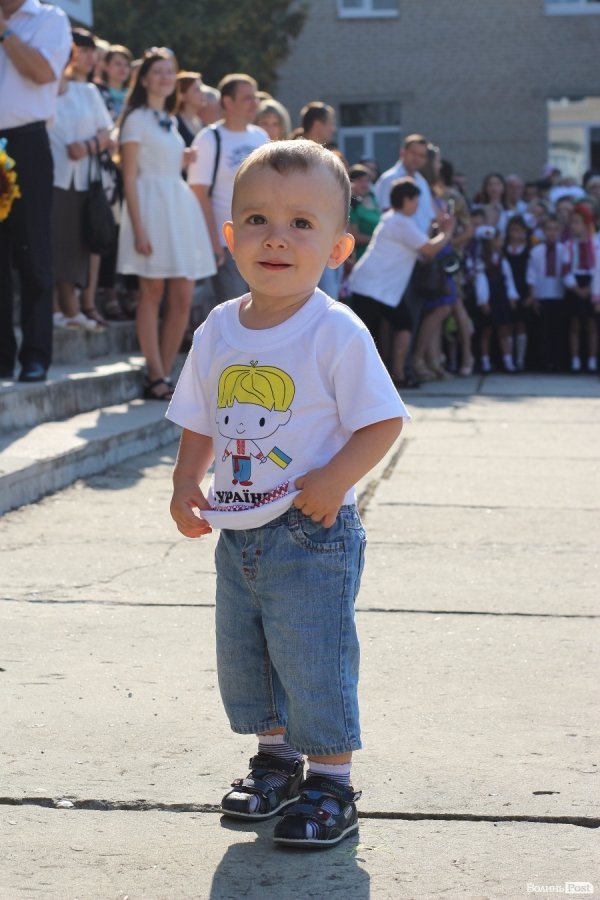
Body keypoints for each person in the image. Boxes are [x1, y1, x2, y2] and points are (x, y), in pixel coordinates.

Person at [167, 140, 408, 849]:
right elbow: (199, 415)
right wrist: (187, 480)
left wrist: (336, 481)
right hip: (238, 526)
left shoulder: (334, 329)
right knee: (248, 655)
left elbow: (382, 418)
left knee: (313, 655)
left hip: (311, 529)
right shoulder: (218, 326)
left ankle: (332, 781)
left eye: (302, 224)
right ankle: (276, 762)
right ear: (230, 236)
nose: (278, 236)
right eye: (259, 219)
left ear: (338, 248)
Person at [117, 48, 215, 400]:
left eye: (169, 71)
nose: (164, 77)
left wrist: (183, 158)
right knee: (152, 291)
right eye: (157, 71)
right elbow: (129, 177)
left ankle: (166, 370)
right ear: (143, 78)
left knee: (184, 294)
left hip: (177, 206)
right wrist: (139, 230)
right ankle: (155, 373)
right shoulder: (135, 119)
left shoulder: (170, 120)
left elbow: (169, 163)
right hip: (150, 208)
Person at [0, 0, 71, 382]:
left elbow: (43, 73)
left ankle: (35, 355)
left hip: (25, 142)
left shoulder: (49, 19)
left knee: (32, 250)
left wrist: (4, 31)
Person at [349, 176, 454, 387]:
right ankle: (373, 380)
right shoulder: (400, 222)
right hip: (371, 288)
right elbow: (430, 249)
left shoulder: (395, 219)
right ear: (406, 199)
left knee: (400, 325)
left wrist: (438, 231)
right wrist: (448, 230)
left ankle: (395, 376)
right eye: (415, 200)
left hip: (378, 289)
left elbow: (424, 248)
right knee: (364, 336)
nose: (417, 205)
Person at [48, 28, 112, 331]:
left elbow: (106, 133)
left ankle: (71, 307)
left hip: (83, 180)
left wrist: (85, 147)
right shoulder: (49, 86)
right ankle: (61, 308)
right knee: (54, 242)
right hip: (52, 177)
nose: (86, 57)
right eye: (79, 50)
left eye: (90, 51)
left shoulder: (89, 92)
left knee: (76, 244)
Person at [188, 73, 268, 306]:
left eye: (255, 98)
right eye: (247, 98)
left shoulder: (260, 136)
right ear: (227, 102)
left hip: (261, 240)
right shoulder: (209, 138)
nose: (254, 104)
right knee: (233, 311)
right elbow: (199, 194)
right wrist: (213, 243)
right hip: (226, 243)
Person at [526, 215, 568, 371]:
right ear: (544, 231)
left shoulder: (564, 249)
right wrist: (533, 296)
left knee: (558, 331)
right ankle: (544, 363)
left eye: (555, 229)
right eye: (549, 229)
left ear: (560, 231)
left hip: (559, 295)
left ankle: (558, 362)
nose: (552, 233)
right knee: (543, 332)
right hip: (542, 295)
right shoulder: (536, 251)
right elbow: (532, 275)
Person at [475, 229, 520, 373]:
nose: (500, 242)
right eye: (497, 240)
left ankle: (508, 361)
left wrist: (512, 296)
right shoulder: (481, 260)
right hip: (489, 299)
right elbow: (480, 282)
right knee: (486, 331)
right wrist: (483, 300)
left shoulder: (502, 260)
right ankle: (485, 362)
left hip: (501, 299)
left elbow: (509, 280)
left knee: (503, 330)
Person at [563, 204, 598, 373]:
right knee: (574, 324)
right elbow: (565, 269)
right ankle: (575, 359)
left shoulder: (597, 244)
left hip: (592, 283)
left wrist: (591, 288)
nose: (574, 226)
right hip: (575, 285)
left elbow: (598, 268)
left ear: (586, 224)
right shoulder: (569, 245)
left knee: (591, 325)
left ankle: (591, 359)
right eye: (572, 222)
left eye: (577, 222)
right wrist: (576, 288)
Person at [503, 215, 533, 371]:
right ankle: (509, 361)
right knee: (507, 325)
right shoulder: (503, 249)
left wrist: (530, 294)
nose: (515, 233)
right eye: (512, 229)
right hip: (505, 291)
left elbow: (532, 273)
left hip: (522, 289)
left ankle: (520, 360)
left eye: (519, 230)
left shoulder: (528, 250)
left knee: (521, 325)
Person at [348, 164, 380, 260]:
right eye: (360, 181)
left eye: (367, 181)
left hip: (377, 255)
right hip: (360, 257)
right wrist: (377, 240)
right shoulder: (350, 205)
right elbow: (353, 237)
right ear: (351, 183)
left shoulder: (372, 199)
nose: (364, 184)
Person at [175, 71, 204, 147]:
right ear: (182, 95)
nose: (203, 93)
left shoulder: (201, 123)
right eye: (197, 90)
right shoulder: (174, 123)